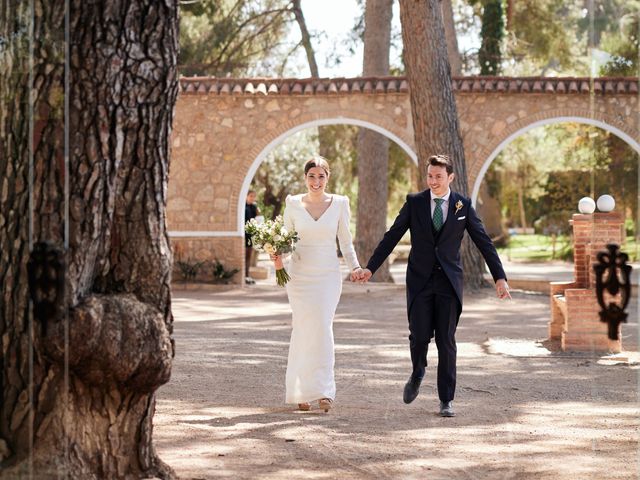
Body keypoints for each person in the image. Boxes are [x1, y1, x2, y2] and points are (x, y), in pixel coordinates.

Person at [359, 154, 511, 417]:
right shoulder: (415, 203)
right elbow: (392, 235)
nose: (433, 181)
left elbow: (483, 241)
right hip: (419, 281)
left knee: (446, 340)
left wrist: (499, 277)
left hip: (449, 283)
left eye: (439, 176)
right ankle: (418, 371)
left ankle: (446, 400)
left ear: (450, 177)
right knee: (419, 337)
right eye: (430, 176)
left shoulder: (462, 205)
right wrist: (370, 267)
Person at [270, 156, 364, 412]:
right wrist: (278, 261)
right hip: (299, 276)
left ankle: (324, 391)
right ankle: (301, 390)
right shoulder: (292, 204)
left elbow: (345, 242)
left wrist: (355, 267)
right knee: (302, 328)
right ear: (305, 178)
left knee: (322, 327)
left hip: (327, 276)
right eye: (312, 176)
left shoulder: (340, 204)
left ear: (328, 178)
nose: (316, 181)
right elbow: (285, 243)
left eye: (321, 176)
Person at [244, 190, 260, 285]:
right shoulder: (242, 206)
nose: (252, 198)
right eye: (250, 196)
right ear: (246, 196)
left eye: (254, 196)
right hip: (242, 234)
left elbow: (258, 218)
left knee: (248, 257)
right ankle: (242, 276)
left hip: (250, 236)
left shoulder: (254, 207)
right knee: (243, 256)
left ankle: (247, 275)